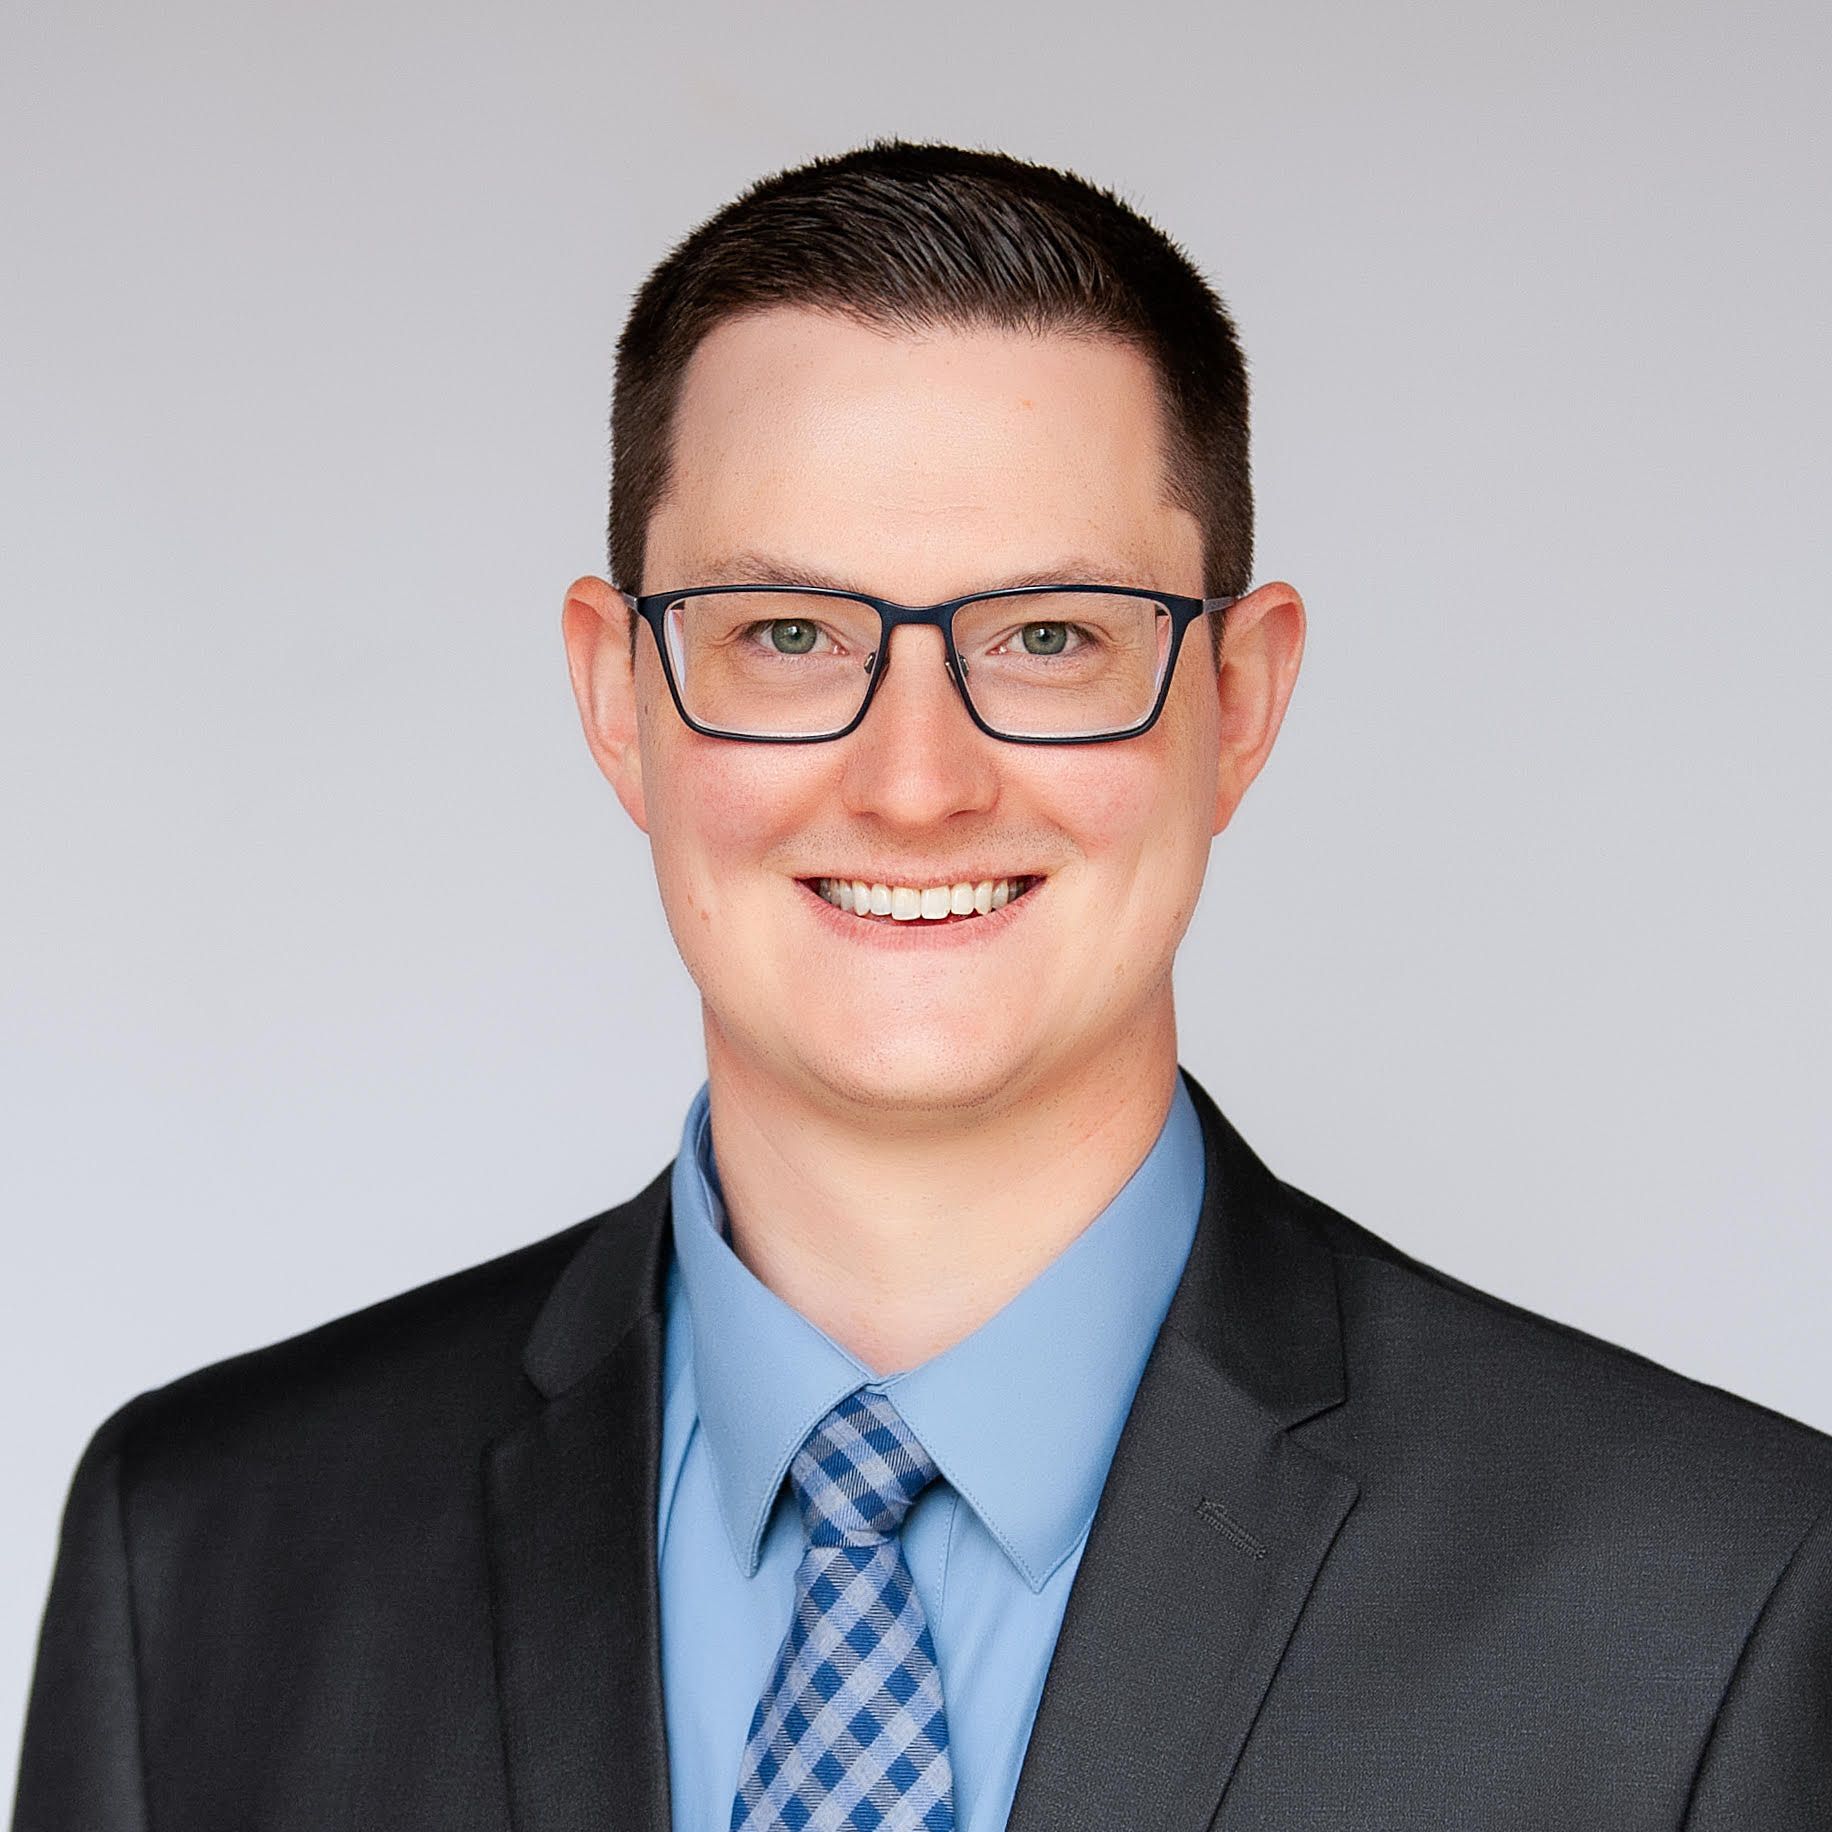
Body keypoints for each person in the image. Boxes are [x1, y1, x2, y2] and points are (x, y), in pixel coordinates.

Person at [12, 138, 1830, 1832]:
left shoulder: (1717, 1601)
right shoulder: (200, 1558)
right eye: (788, 636)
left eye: (1048, 638)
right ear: (615, 697)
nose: (914, 779)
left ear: (1239, 703)